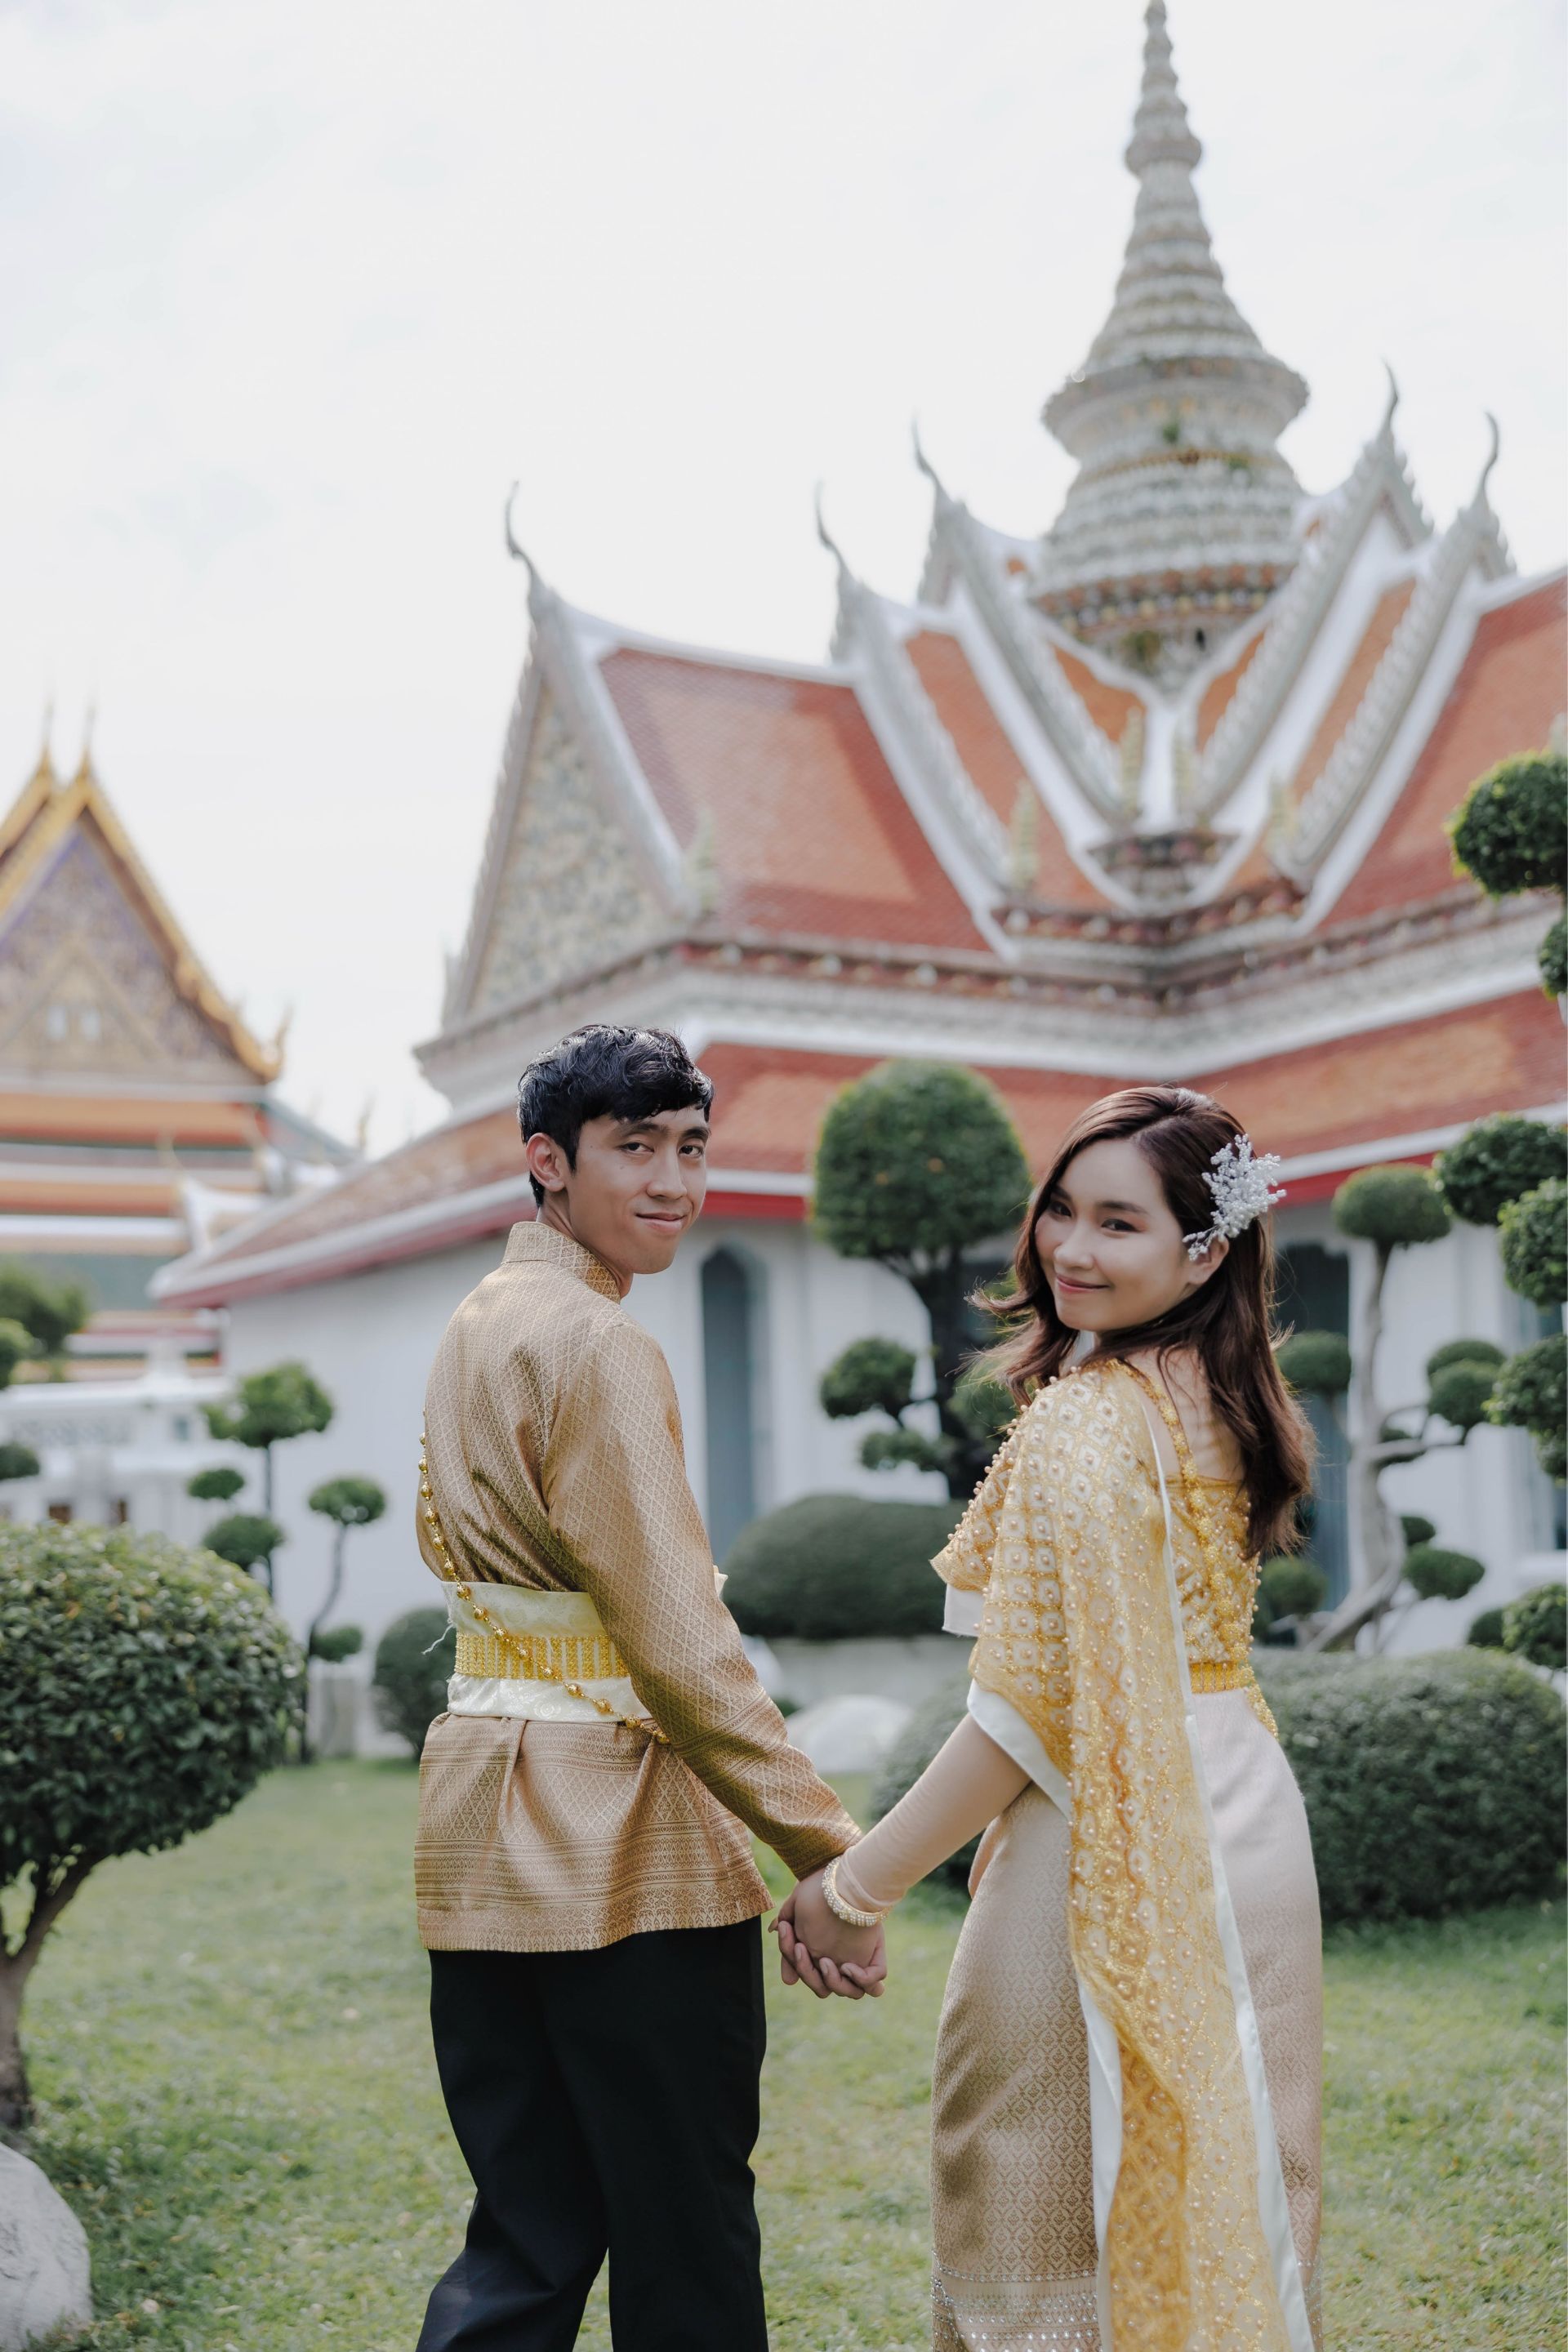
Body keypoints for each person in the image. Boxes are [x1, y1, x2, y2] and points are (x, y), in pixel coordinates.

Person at [777, 1084, 1324, 2351]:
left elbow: (1026, 1714)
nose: (1072, 1248)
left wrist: (856, 1887)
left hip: (1110, 1831)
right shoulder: (1227, 1393)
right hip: (1246, 1818)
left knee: (1023, 2192)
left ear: (1206, 1250)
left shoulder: (1088, 1423)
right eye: (1062, 1210)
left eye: (1119, 1224)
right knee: (1229, 2183)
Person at [413, 1023, 878, 2352]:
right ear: (548, 1162)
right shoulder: (600, 1346)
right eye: (635, 1149)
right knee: (686, 2238)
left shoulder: (480, 1320)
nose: (674, 1182)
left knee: (526, 2233)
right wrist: (831, 1853)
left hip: (479, 1827)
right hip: (621, 1844)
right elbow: (679, 1650)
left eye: (691, 1148)